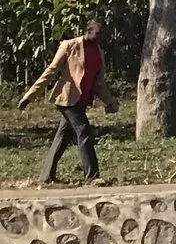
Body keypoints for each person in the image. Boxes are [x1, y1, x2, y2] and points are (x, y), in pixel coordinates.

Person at [18, 17, 117, 186]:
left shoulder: (98, 52)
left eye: (103, 35)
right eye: (97, 34)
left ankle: (46, 176)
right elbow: (51, 71)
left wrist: (110, 102)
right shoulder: (69, 46)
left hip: (83, 99)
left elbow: (98, 82)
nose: (100, 38)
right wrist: (30, 95)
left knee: (63, 135)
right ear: (88, 32)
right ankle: (92, 177)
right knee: (83, 131)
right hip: (67, 98)